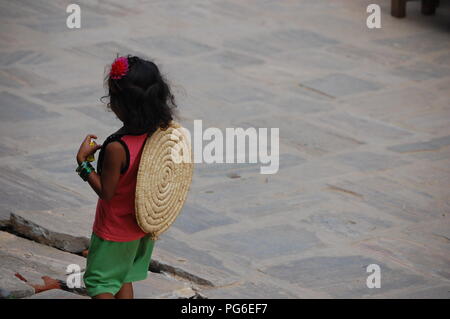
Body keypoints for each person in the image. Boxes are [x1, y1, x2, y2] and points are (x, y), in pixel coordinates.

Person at [75, 55, 177, 299]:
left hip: (113, 230)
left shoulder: (116, 147)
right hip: (140, 226)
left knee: (99, 283)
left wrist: (83, 163)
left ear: (122, 104)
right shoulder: (158, 133)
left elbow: (106, 193)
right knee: (123, 277)